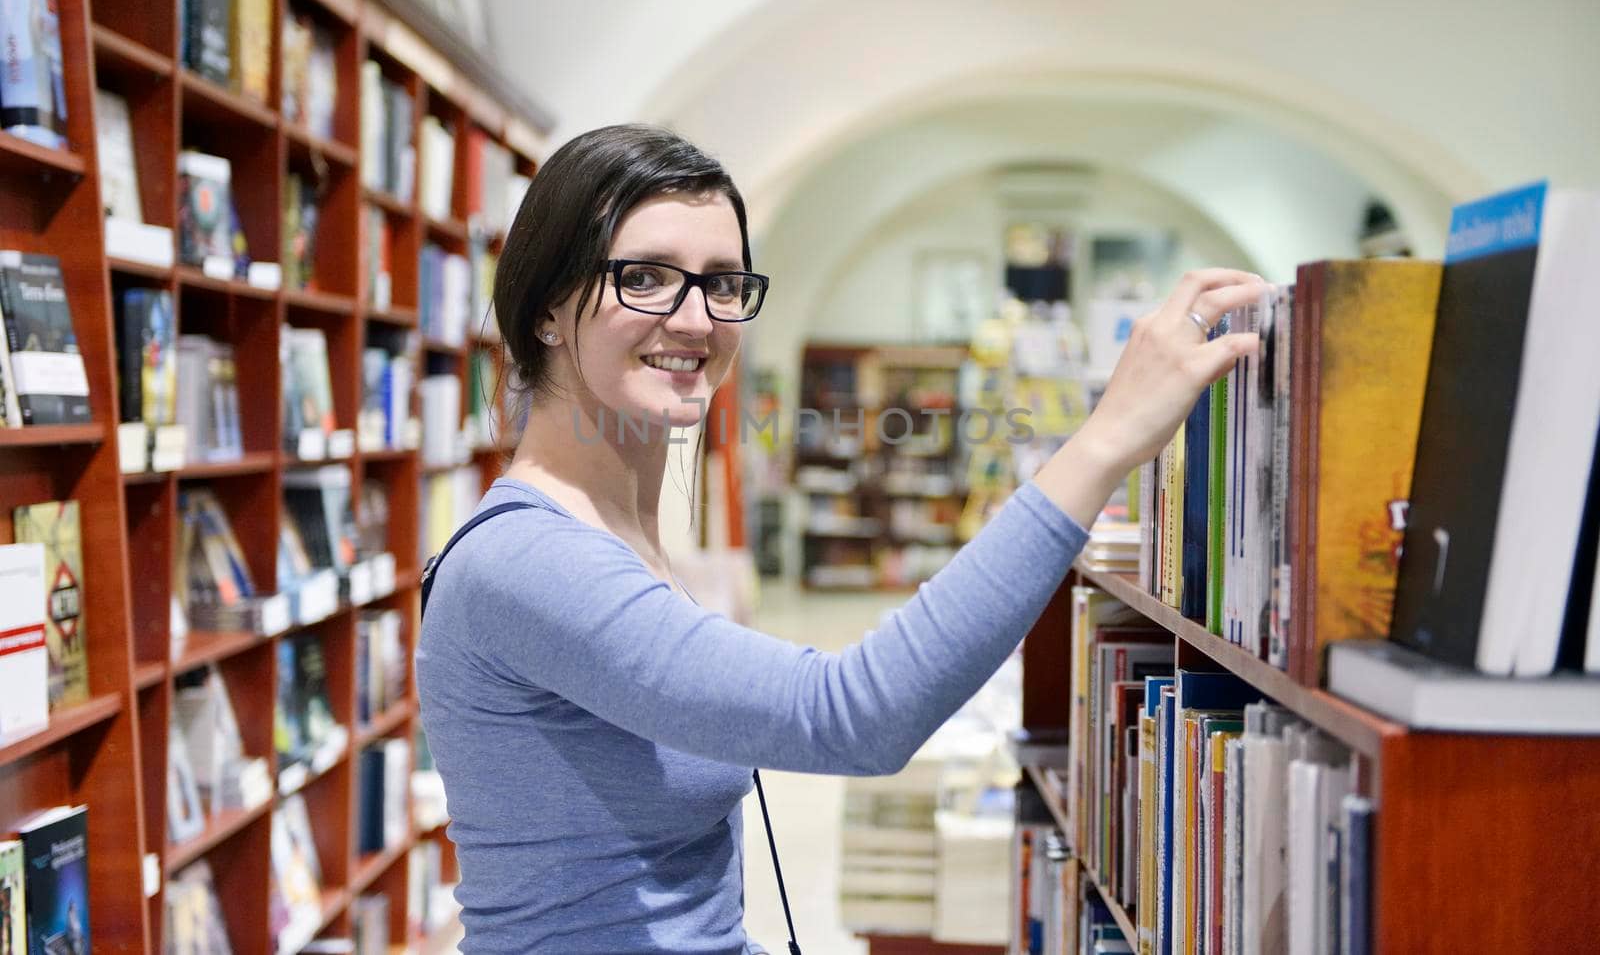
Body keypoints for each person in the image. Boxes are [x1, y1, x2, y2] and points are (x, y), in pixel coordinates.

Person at [416, 124, 1262, 954]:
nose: (696, 318)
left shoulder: (619, 535)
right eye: (644, 276)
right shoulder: (527, 562)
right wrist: (1104, 442)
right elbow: (851, 715)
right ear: (545, 312)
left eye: (721, 282)